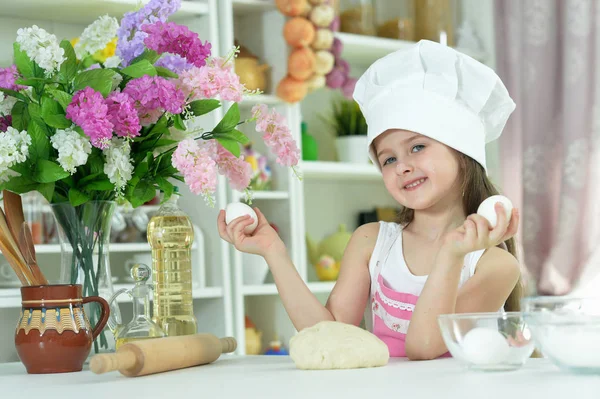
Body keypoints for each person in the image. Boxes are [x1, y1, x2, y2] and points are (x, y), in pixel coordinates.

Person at [217, 40, 522, 360]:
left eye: (417, 147)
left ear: (463, 152)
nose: (402, 166)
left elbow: (424, 347)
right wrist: (273, 251)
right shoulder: (371, 242)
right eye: (388, 159)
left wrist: (451, 254)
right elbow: (329, 336)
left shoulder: (495, 265)